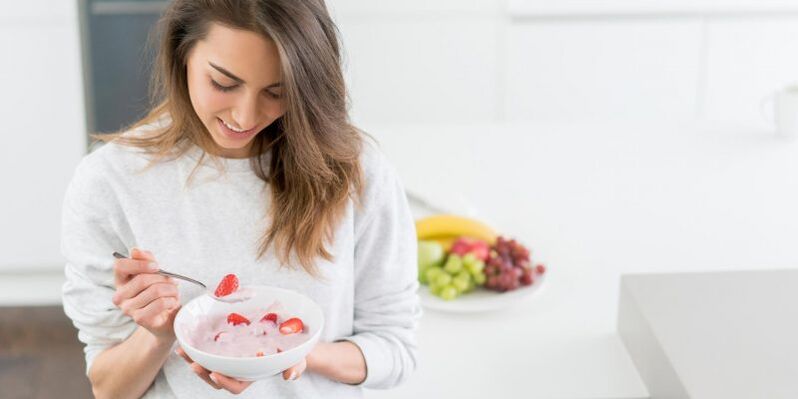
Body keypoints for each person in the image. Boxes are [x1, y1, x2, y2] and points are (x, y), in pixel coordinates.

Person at [60, 1, 421, 398]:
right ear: (183, 53)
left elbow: (396, 350)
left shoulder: (353, 170)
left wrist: (301, 355)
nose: (246, 116)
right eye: (224, 84)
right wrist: (157, 335)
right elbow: (109, 389)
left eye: (276, 92)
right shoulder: (109, 181)